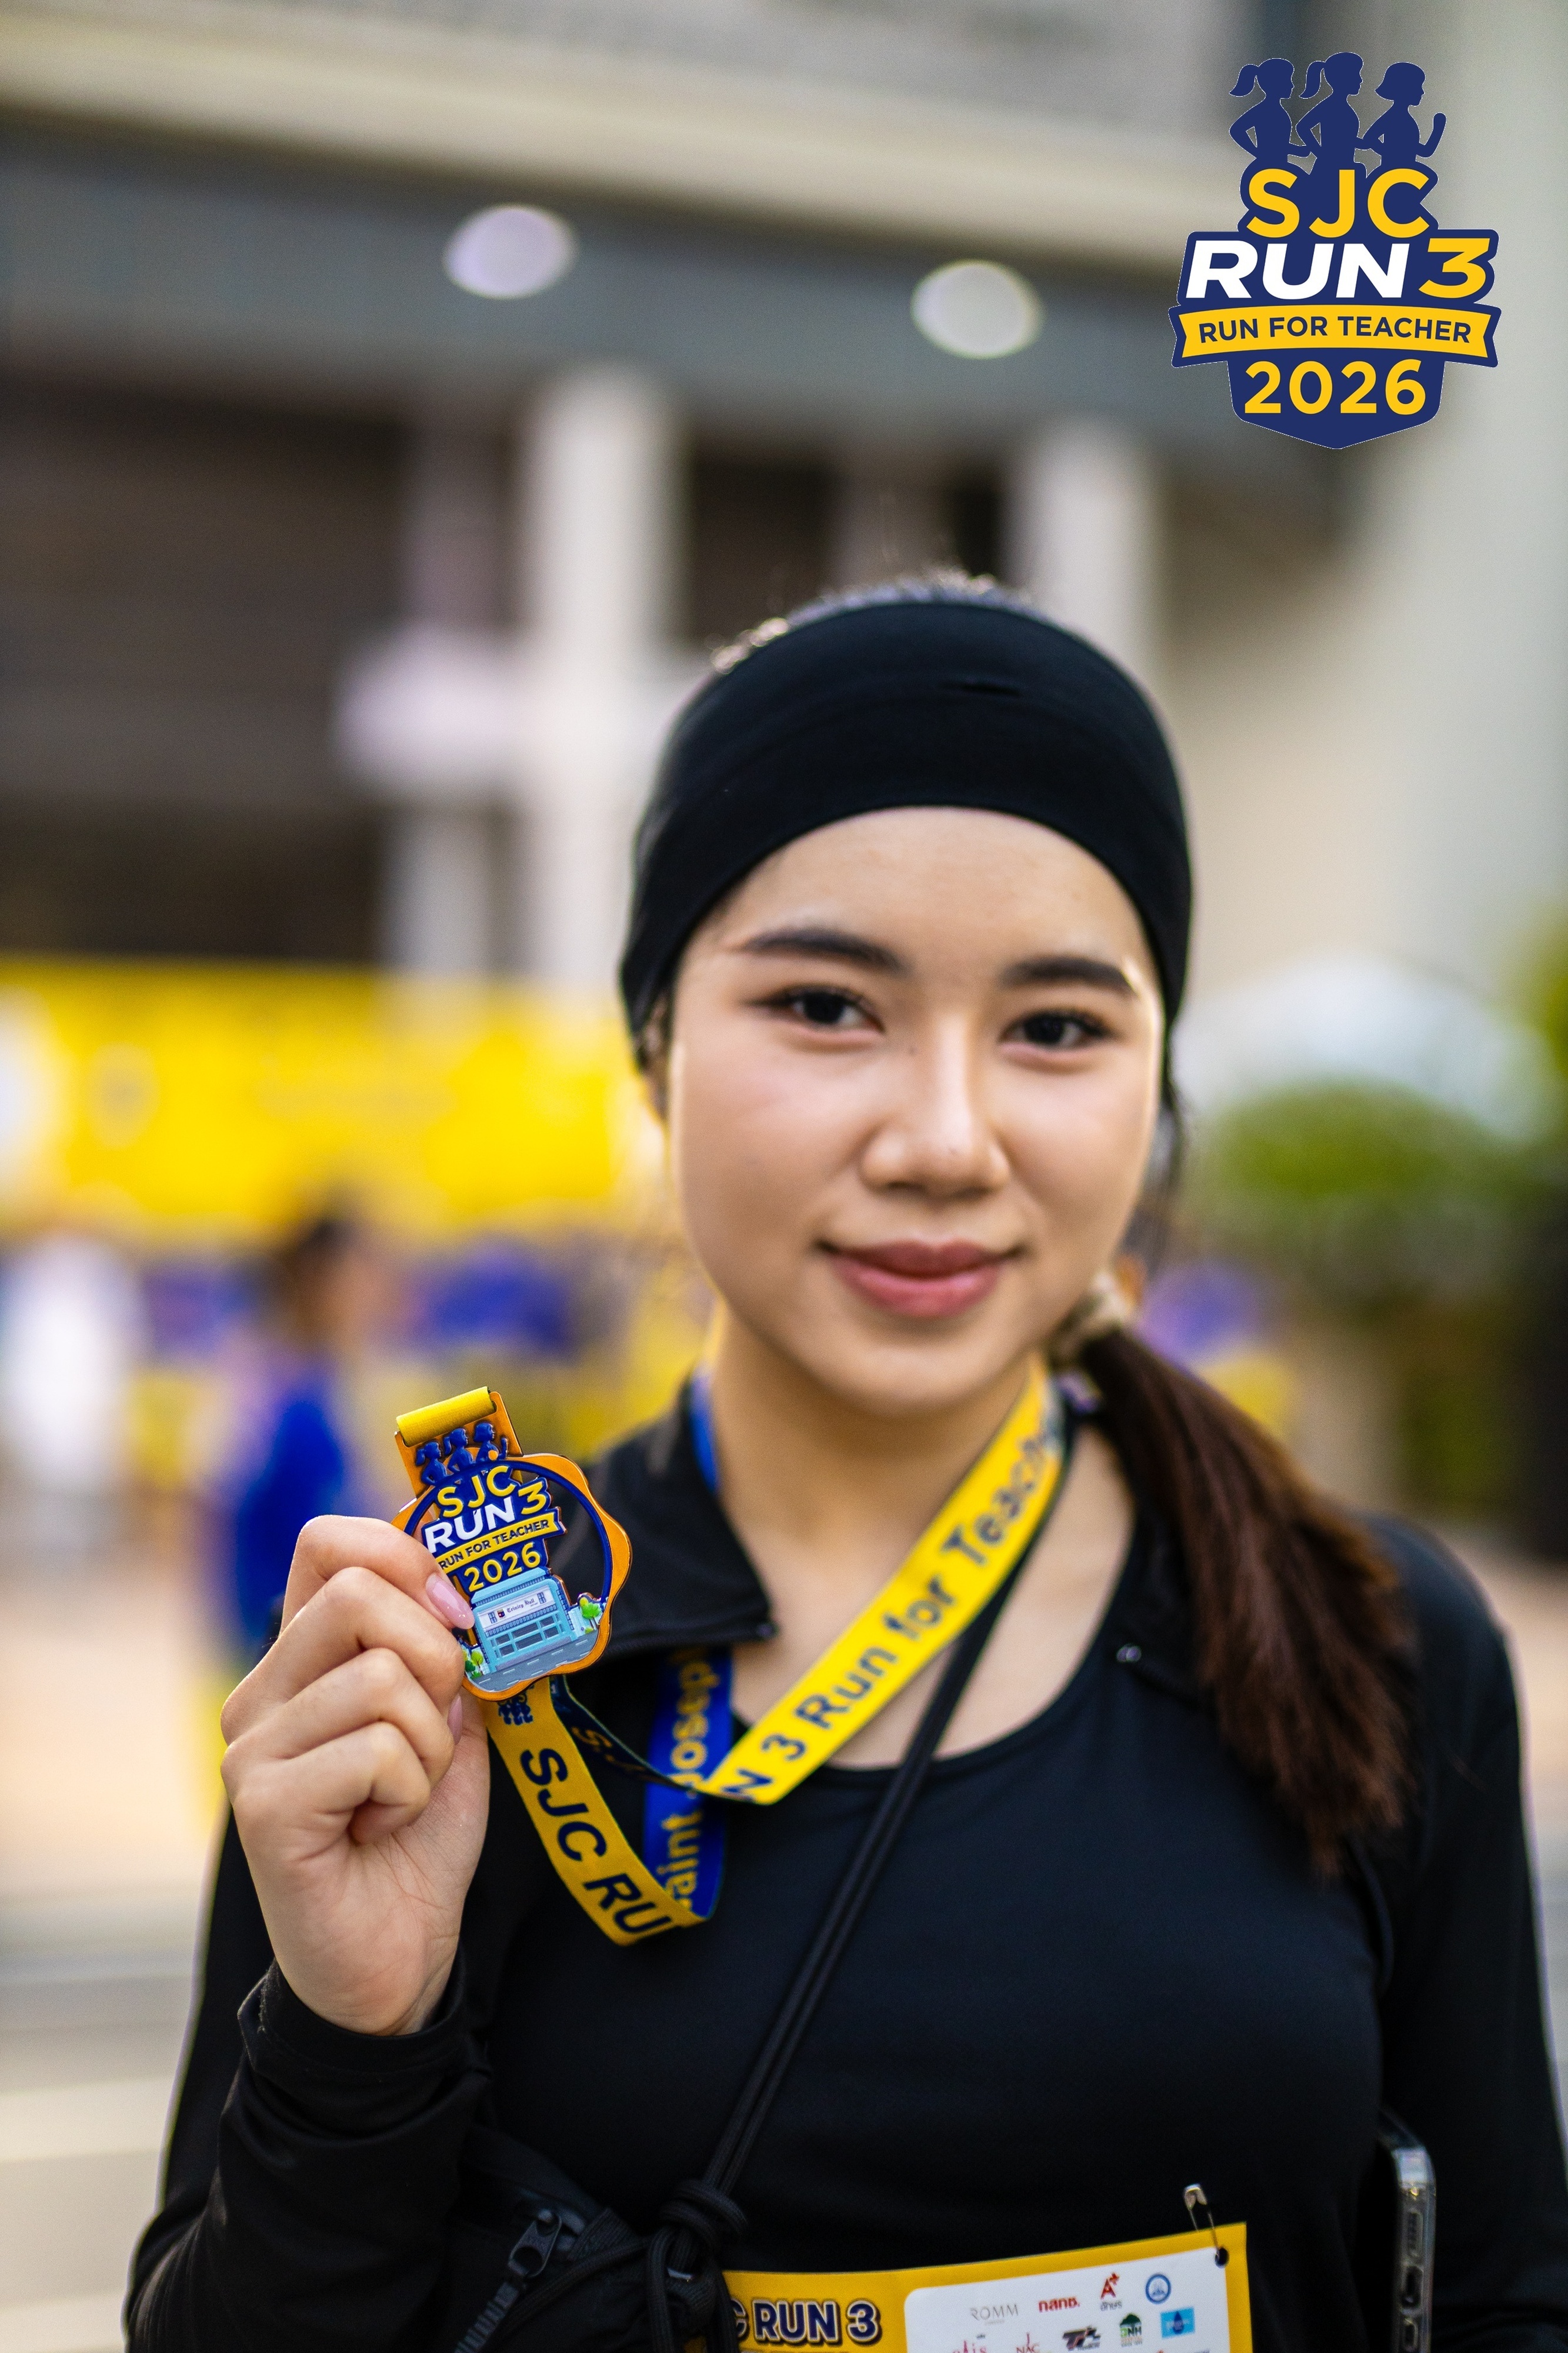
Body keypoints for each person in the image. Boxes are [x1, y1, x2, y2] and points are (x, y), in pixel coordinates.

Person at [129, 581, 1568, 2353]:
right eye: (823, 1003)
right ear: (654, 1053)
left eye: (1057, 1026)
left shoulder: (1368, 1636)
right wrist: (354, 2044)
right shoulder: (439, 1672)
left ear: (1155, 1089)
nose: (944, 1139)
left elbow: (1501, 2300)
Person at [211, 1213, 386, 1661]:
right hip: (276, 1636)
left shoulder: (312, 1378)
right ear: (321, 1280)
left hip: (292, 1627)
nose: (376, 1289)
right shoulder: (277, 1387)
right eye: (362, 1272)